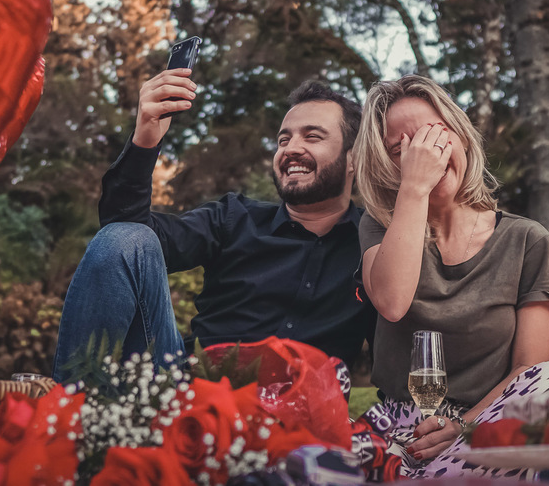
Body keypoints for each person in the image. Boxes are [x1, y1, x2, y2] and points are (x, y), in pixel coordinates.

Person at [51, 67, 376, 382]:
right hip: (185, 395)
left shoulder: (376, 246)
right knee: (123, 238)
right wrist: (145, 140)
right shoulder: (234, 218)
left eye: (313, 136)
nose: (290, 149)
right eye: (282, 140)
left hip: (303, 418)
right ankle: (70, 419)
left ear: (354, 158)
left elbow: (404, 347)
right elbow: (123, 233)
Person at [353, 75, 549, 469]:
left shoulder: (528, 241)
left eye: (431, 136)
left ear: (460, 136)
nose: (422, 155)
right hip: (403, 426)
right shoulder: (380, 226)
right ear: (386, 165)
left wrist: (464, 427)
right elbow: (391, 302)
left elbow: (530, 371)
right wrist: (415, 189)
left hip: (487, 421)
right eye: (400, 149)